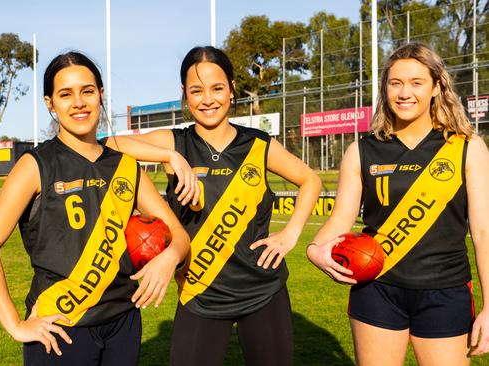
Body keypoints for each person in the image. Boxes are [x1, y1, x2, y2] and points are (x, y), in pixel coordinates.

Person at [104, 46, 321, 366]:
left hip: (263, 292)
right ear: (184, 94)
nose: (208, 99)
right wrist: (170, 157)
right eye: (196, 90)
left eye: (217, 88)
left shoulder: (258, 144)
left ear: (232, 89)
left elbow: (310, 180)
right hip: (199, 293)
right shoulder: (174, 143)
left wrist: (291, 233)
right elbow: (108, 145)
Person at [0, 51, 190, 366]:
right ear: (50, 102)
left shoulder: (125, 166)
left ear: (101, 94)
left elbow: (178, 233)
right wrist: (15, 325)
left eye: (87, 91)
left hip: (123, 322)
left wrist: (170, 257)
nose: (79, 102)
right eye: (65, 94)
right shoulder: (35, 165)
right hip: (60, 329)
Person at [306, 42, 489, 365]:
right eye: (396, 83)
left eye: (417, 83)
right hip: (377, 290)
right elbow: (340, 220)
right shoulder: (361, 151)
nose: (405, 93)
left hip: (444, 292)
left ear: (436, 87)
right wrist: (315, 249)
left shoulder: (467, 147)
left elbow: (484, 232)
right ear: (385, 89)